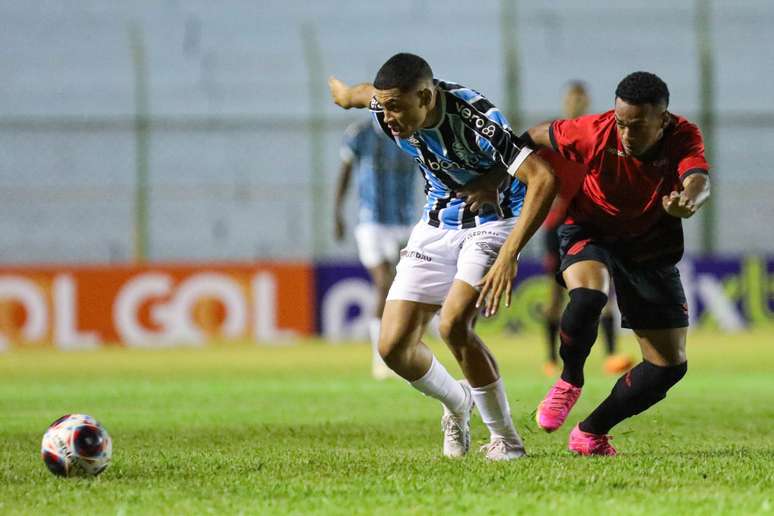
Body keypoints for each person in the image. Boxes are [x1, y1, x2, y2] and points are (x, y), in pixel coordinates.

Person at [328, 53, 557, 460]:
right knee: (393, 347)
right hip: (437, 222)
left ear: (427, 97)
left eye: (397, 106)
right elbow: (367, 96)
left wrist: (509, 253)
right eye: (384, 106)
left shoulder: (476, 117)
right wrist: (347, 96)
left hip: (494, 222)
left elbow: (543, 178)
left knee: (453, 325)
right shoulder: (386, 108)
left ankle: (506, 440)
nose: (388, 117)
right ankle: (457, 403)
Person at [477, 71, 710, 456]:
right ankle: (569, 380)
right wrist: (498, 179)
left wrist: (689, 200)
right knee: (587, 297)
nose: (626, 134)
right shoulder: (594, 131)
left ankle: (590, 432)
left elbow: (698, 178)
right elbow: (535, 134)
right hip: (590, 228)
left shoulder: (683, 135)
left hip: (649, 247)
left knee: (669, 366)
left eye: (637, 126)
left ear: (663, 120)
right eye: (621, 123)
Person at [538, 81, 632, 377]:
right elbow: (534, 173)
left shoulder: (598, 137)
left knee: (603, 287)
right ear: (566, 101)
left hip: (593, 224)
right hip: (558, 227)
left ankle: (612, 355)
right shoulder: (554, 138)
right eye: (572, 97)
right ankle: (551, 359)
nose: (577, 101)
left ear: (587, 100)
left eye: (581, 97)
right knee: (555, 294)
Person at [334, 117, 419, 380]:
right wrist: (336, 213)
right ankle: (380, 358)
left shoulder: (412, 133)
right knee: (384, 282)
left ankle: (403, 351)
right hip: (371, 221)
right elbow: (345, 173)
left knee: (407, 287)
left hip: (405, 221)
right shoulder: (360, 134)